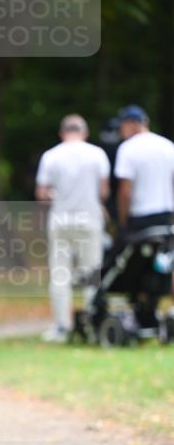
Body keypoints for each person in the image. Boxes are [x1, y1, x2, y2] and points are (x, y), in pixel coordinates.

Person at [35, 114, 110, 342]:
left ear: (62, 133)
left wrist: (56, 196)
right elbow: (104, 192)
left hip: (60, 222)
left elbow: (42, 194)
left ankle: (62, 327)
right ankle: (91, 324)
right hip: (89, 221)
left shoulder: (51, 156)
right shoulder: (97, 154)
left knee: (60, 275)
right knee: (91, 275)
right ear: (85, 132)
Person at [115, 105, 174, 233]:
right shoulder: (168, 146)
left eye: (122, 125)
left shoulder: (127, 148)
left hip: (139, 216)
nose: (120, 130)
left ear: (133, 124)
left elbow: (125, 191)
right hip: (166, 214)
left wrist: (123, 223)